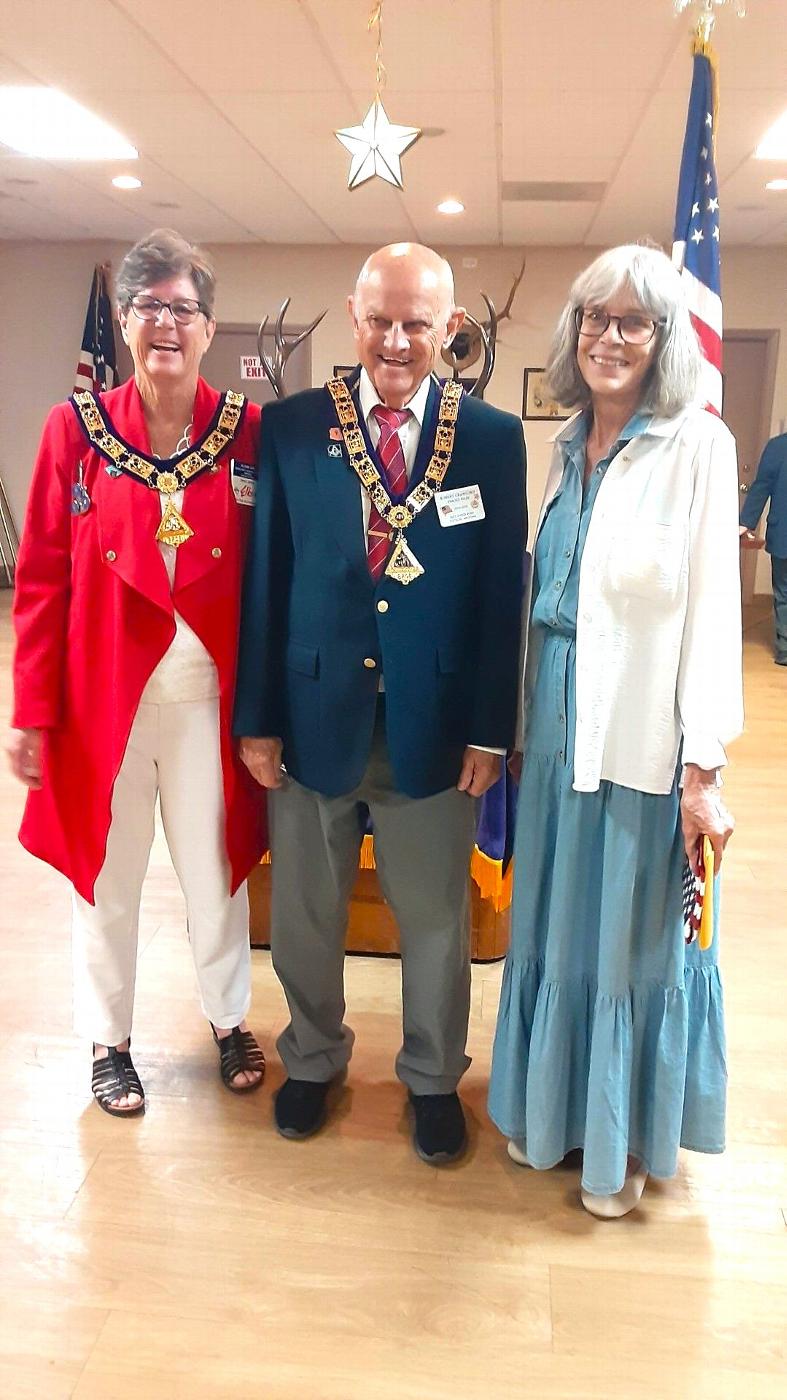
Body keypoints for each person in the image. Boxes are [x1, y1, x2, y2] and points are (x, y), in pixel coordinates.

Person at [234, 242, 526, 1164]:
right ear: (354, 318)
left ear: (450, 329)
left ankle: (434, 1078)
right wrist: (257, 715)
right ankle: (314, 1060)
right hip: (314, 713)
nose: (396, 340)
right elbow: (265, 578)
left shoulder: (488, 436)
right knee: (308, 912)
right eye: (380, 319)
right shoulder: (289, 428)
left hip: (434, 725)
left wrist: (491, 728)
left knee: (436, 917)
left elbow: (494, 599)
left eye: (417, 322)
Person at [488, 244, 743, 1217]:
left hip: (638, 739)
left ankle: (621, 1138)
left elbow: (715, 614)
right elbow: (544, 599)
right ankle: (544, 1113)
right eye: (595, 316)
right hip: (554, 736)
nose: (609, 336)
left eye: (632, 321)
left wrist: (702, 762)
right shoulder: (558, 444)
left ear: (662, 337)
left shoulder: (698, 449)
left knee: (629, 941)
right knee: (554, 924)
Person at [6, 229, 267, 1116]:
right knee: (108, 883)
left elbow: (272, 576)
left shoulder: (247, 433)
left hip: (208, 705)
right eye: (148, 305)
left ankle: (228, 1017)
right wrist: (32, 712)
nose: (166, 323)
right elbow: (40, 578)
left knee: (215, 872)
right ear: (122, 321)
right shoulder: (72, 429)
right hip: (101, 705)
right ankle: (108, 1040)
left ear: (208, 326)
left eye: (182, 308)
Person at [739, 431, 787, 666]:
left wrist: (746, 522)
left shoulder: (778, 447)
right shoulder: (778, 447)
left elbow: (762, 486)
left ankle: (786, 650)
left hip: (783, 535)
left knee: (784, 594)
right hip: (783, 535)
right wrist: (745, 523)